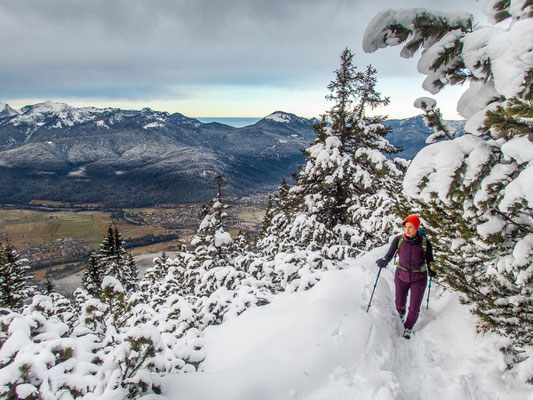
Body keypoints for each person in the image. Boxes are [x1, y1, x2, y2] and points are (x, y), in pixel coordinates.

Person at [376, 215, 436, 339]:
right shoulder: (398, 240)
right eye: (406, 227)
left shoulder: (425, 243)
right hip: (401, 275)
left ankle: (408, 327)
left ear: (416, 228)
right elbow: (389, 254)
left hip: (419, 278)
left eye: (411, 227)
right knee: (399, 302)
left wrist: (431, 269)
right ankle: (401, 315)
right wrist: (383, 261)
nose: (407, 230)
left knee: (414, 307)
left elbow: (430, 260)